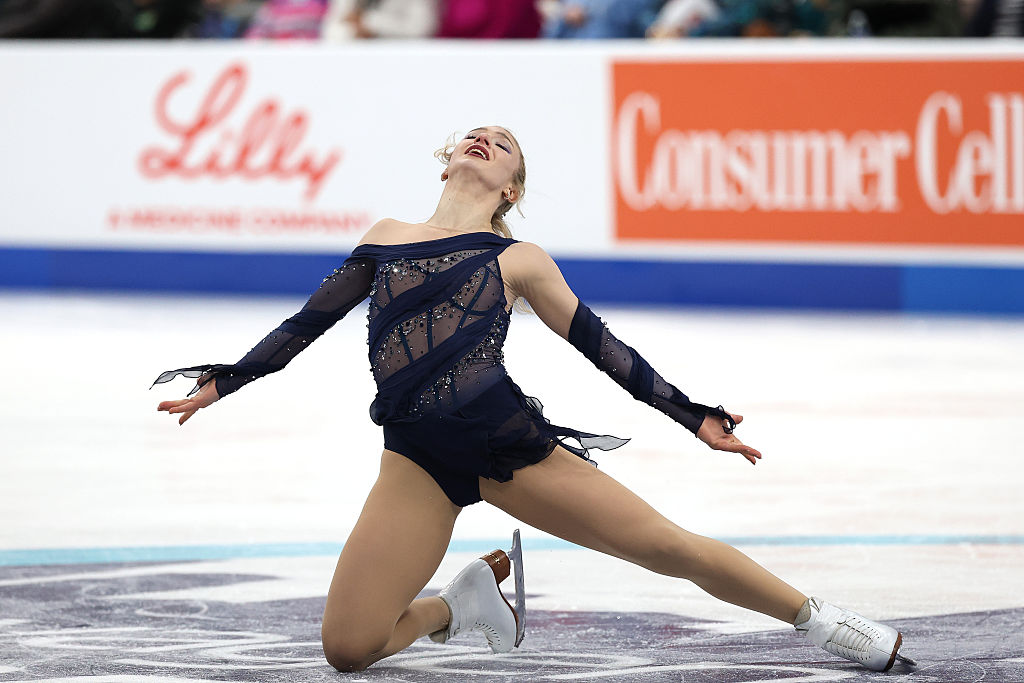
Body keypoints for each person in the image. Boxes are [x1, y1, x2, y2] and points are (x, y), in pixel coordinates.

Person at [154, 125, 912, 673]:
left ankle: (822, 620)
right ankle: (462, 602)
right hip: (415, 458)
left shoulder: (517, 258)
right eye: (476, 135)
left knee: (667, 547)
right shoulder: (385, 236)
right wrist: (225, 380)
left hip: (506, 444)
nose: (486, 140)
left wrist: (694, 416)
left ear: (511, 188)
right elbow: (305, 323)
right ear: (450, 158)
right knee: (348, 649)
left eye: (505, 143)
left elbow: (604, 349)